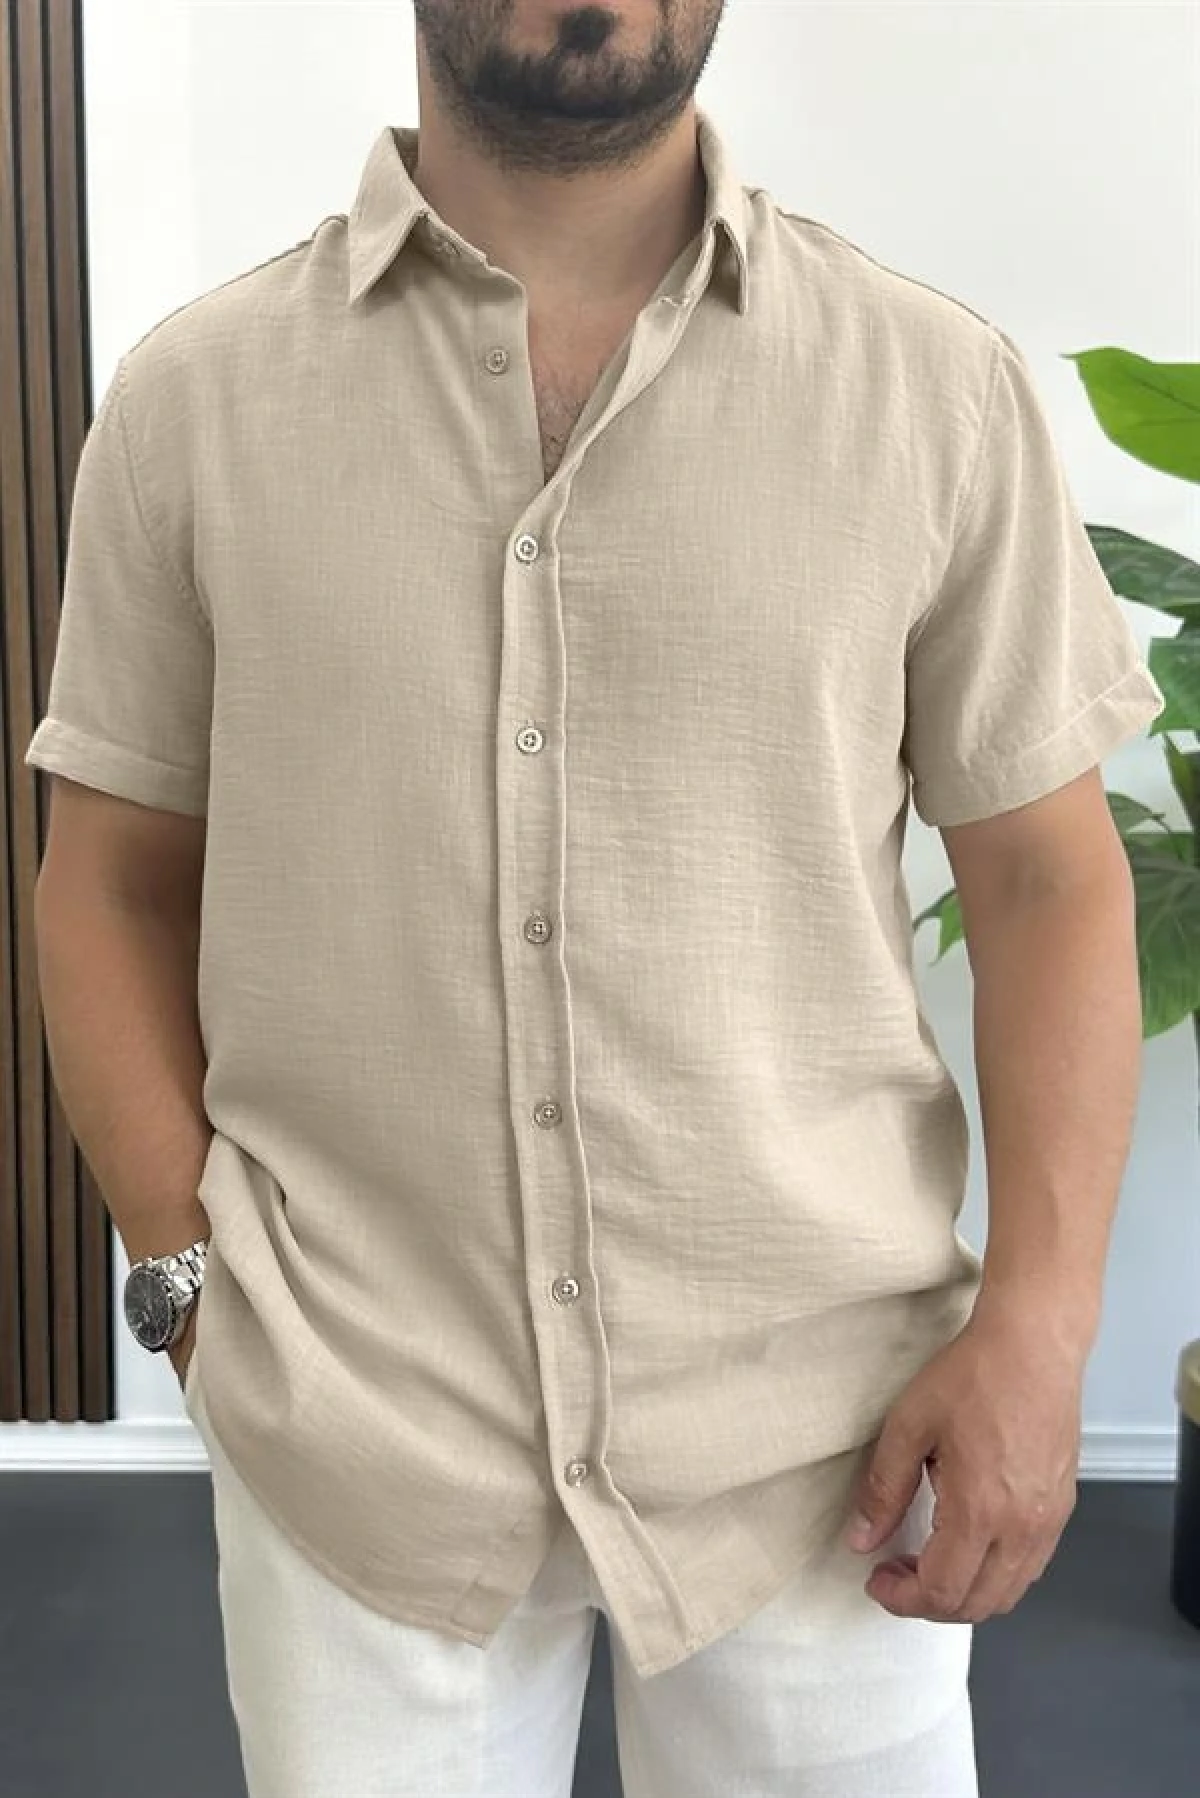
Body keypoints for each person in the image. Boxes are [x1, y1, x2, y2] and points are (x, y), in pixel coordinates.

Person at [26, 3, 1164, 1794]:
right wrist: (190, 1290)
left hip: (830, 1441)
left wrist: (1039, 1325)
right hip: (357, 1426)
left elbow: (1045, 885)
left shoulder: (933, 391)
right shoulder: (194, 401)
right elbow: (106, 886)